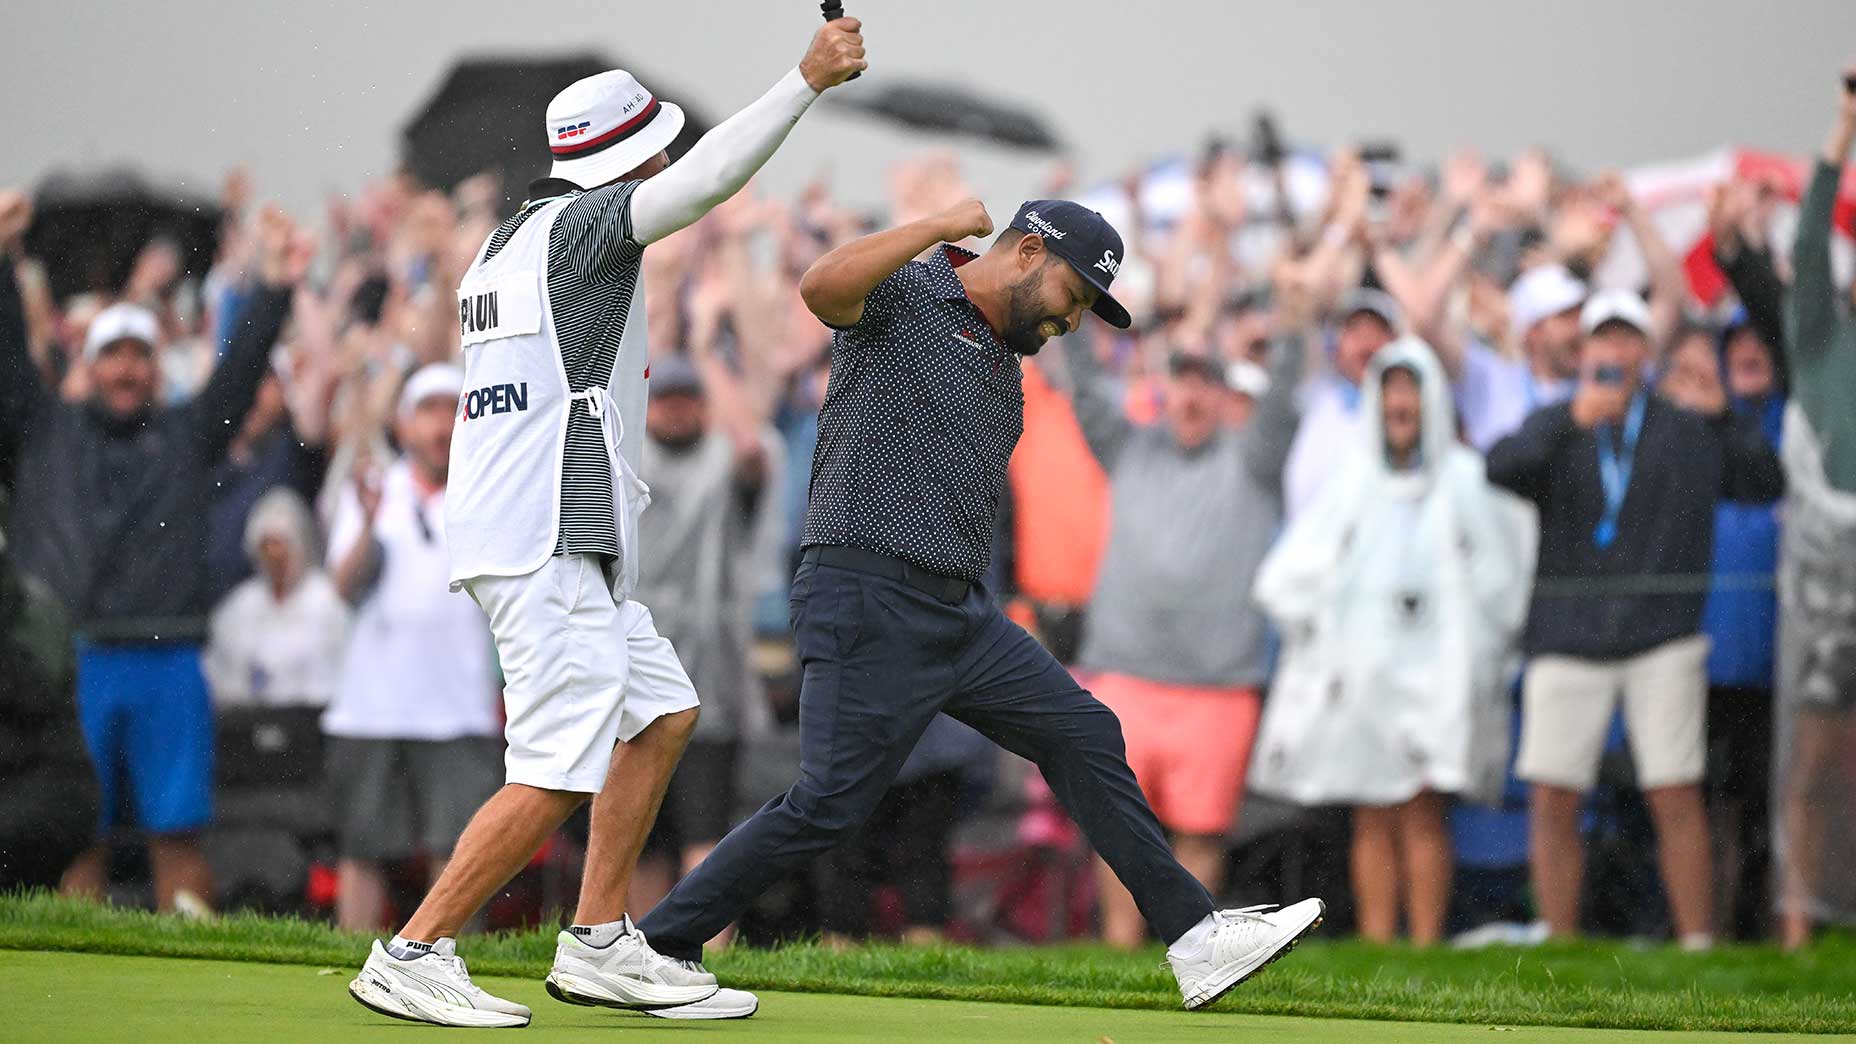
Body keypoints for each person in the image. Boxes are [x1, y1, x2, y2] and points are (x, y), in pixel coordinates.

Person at [633, 196, 1324, 1013]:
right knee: (828, 805)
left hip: (960, 615)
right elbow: (820, 288)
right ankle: (660, 945)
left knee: (1083, 732)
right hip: (866, 592)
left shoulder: (1006, 363)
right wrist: (932, 225)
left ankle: (1195, 937)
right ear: (1028, 253)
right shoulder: (910, 292)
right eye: (1073, 295)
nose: (1071, 320)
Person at [347, 16, 869, 1028]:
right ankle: (414, 949)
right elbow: (706, 182)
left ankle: (596, 941)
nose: (665, 162)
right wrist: (803, 81)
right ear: (628, 159)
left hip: (543, 537)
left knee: (662, 715)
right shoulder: (585, 226)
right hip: (545, 539)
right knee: (556, 769)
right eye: (654, 148)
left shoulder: (505, 240)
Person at [0, 193, 305, 914]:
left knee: (178, 836)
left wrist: (274, 285)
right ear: (90, 363)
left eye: (140, 356)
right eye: (113, 356)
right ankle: (73, 963)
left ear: (156, 367)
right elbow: (6, 358)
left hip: (169, 662)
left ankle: (194, 971)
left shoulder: (185, 435)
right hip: (69, 666)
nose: (127, 370)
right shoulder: (44, 431)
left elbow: (239, 372)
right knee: (74, 836)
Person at [1486, 290, 1784, 949]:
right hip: (1568, 637)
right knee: (1553, 794)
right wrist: (1570, 419)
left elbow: (1766, 481)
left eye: (1627, 339)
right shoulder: (1561, 420)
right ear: (1585, 350)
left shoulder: (1687, 423)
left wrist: (1724, 416)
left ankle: (1697, 943)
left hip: (1662, 638)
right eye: (1604, 338)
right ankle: (1558, 939)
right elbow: (1500, 467)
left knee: (1673, 789)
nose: (1615, 351)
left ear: (1647, 352)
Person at [1250, 336, 1534, 945]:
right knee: (1372, 814)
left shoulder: (1465, 479)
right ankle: (1379, 944)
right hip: (1366, 683)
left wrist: (1478, 654)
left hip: (1435, 682)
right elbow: (1290, 575)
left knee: (1423, 811)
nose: (1400, 404)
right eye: (1390, 390)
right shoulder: (1353, 482)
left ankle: (1425, 944)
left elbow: (1502, 577)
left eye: (1411, 389)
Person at [1054, 287, 1304, 950]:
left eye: (1205, 383)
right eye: (1182, 380)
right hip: (1125, 675)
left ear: (1223, 395)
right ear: (1164, 389)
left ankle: (1189, 951)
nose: (1192, 395)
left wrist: (1296, 324)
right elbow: (1086, 387)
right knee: (1117, 825)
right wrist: (1069, 301)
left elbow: (1283, 402)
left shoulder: (1253, 461)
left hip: (1218, 686)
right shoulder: (1128, 448)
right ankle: (1120, 948)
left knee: (1201, 830)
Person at [322, 363, 503, 933]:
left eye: (453, 410)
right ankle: (348, 961)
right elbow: (343, 586)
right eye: (428, 411)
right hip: (371, 707)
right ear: (403, 426)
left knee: (461, 851)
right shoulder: (373, 489)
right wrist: (368, 522)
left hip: (460, 706)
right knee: (362, 849)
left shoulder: (490, 493)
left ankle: (445, 958)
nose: (441, 426)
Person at [627, 354, 779, 937]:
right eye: (664, 400)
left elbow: (752, 447)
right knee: (640, 838)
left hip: (707, 685)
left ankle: (707, 954)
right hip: (634, 678)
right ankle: (635, 952)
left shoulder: (722, 460)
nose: (675, 411)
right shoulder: (624, 460)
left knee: (704, 832)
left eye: (687, 400)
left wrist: (712, 349)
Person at [1658, 321, 1783, 940]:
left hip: (1752, 656)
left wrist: (1722, 417)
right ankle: (1686, 927)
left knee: (1752, 802)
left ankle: (1747, 930)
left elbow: (1764, 481)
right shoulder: (1657, 434)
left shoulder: (1763, 428)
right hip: (1675, 648)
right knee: (1682, 796)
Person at [1775, 70, 1856, 952]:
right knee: (1815, 761)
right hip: (1832, 589)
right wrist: (1843, 128)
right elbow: (1806, 240)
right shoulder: (1826, 338)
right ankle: (1800, 924)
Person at [202, 487, 349, 714]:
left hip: (311, 721)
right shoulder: (240, 605)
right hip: (249, 722)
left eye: (281, 546)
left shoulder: (328, 601)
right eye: (267, 547)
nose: (275, 558)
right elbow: (220, 673)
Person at [1281, 287, 1401, 518]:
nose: (1366, 343)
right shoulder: (1314, 396)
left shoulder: (1408, 411)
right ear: (1334, 344)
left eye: (1378, 331)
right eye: (1354, 331)